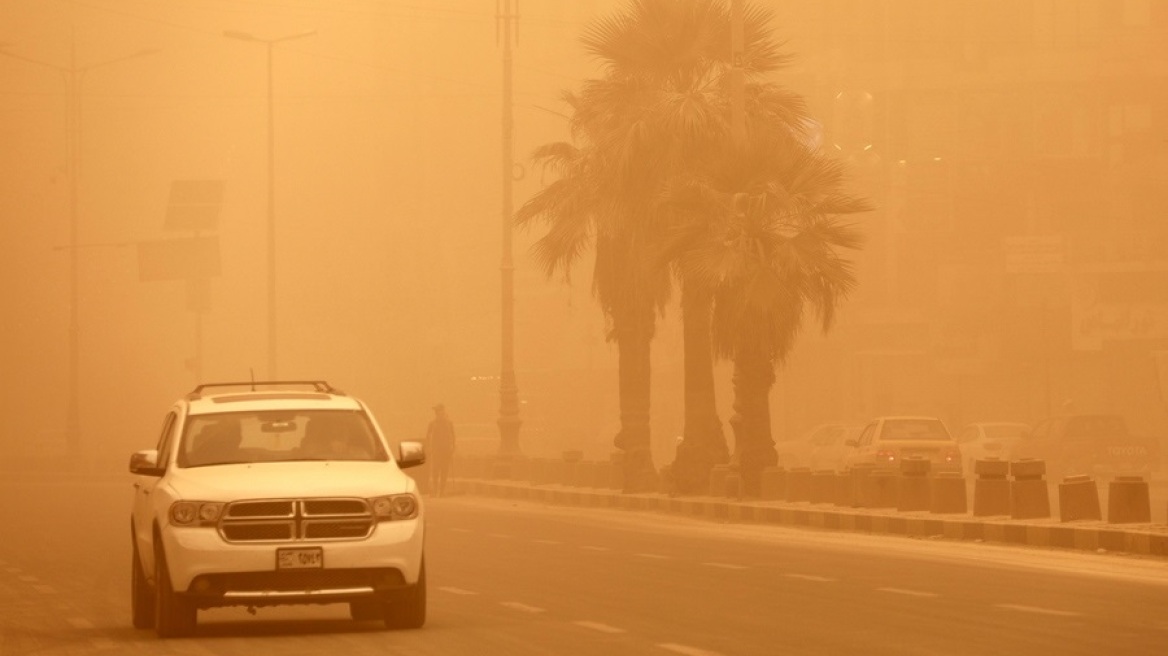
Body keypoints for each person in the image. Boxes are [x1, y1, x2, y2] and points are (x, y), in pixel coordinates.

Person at [426, 403, 456, 496]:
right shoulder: (432, 424)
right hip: (436, 450)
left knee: (444, 470)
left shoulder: (449, 423)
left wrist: (453, 447)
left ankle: (441, 491)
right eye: (437, 412)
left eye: (438, 411)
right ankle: (435, 490)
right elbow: (428, 436)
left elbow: (453, 436)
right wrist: (429, 448)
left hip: (446, 450)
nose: (438, 413)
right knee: (435, 470)